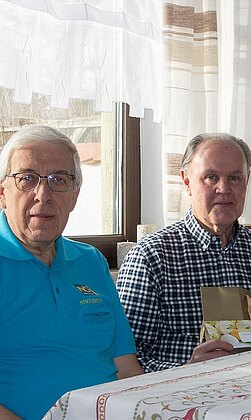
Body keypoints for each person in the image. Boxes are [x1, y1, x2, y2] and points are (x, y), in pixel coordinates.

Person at [116, 133, 251, 372]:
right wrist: (188, 369)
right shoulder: (151, 258)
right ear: (186, 181)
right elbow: (125, 362)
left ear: (247, 181)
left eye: (234, 178)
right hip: (179, 393)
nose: (224, 189)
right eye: (211, 177)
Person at [0, 125, 143, 419]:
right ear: (3, 193)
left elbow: (126, 367)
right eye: (27, 178)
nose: (43, 194)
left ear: (75, 196)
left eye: (59, 180)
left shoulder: (91, 261)